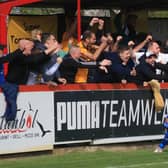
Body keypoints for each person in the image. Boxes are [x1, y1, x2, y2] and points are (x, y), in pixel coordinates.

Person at [0, 39, 57, 121]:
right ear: (25, 46)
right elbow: (35, 59)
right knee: (12, 110)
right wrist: (51, 49)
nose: (33, 47)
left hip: (22, 89)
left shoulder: (26, 57)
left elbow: (38, 62)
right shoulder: (18, 57)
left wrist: (44, 81)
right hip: (11, 88)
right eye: (31, 46)